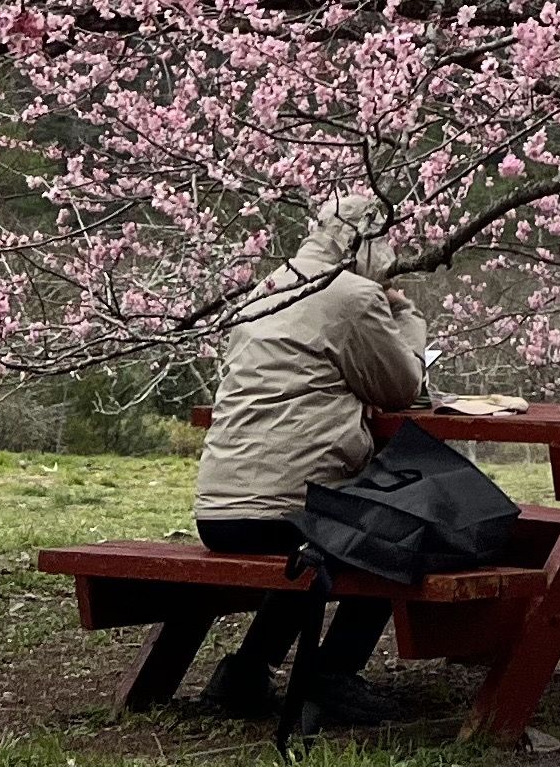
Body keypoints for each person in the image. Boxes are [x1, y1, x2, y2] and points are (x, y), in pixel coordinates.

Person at [191, 192, 432, 726]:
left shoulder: (265, 290)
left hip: (220, 513)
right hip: (287, 514)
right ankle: (333, 675)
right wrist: (407, 316)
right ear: (362, 245)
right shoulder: (349, 294)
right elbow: (402, 387)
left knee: (327, 539)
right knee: (397, 533)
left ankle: (247, 670)